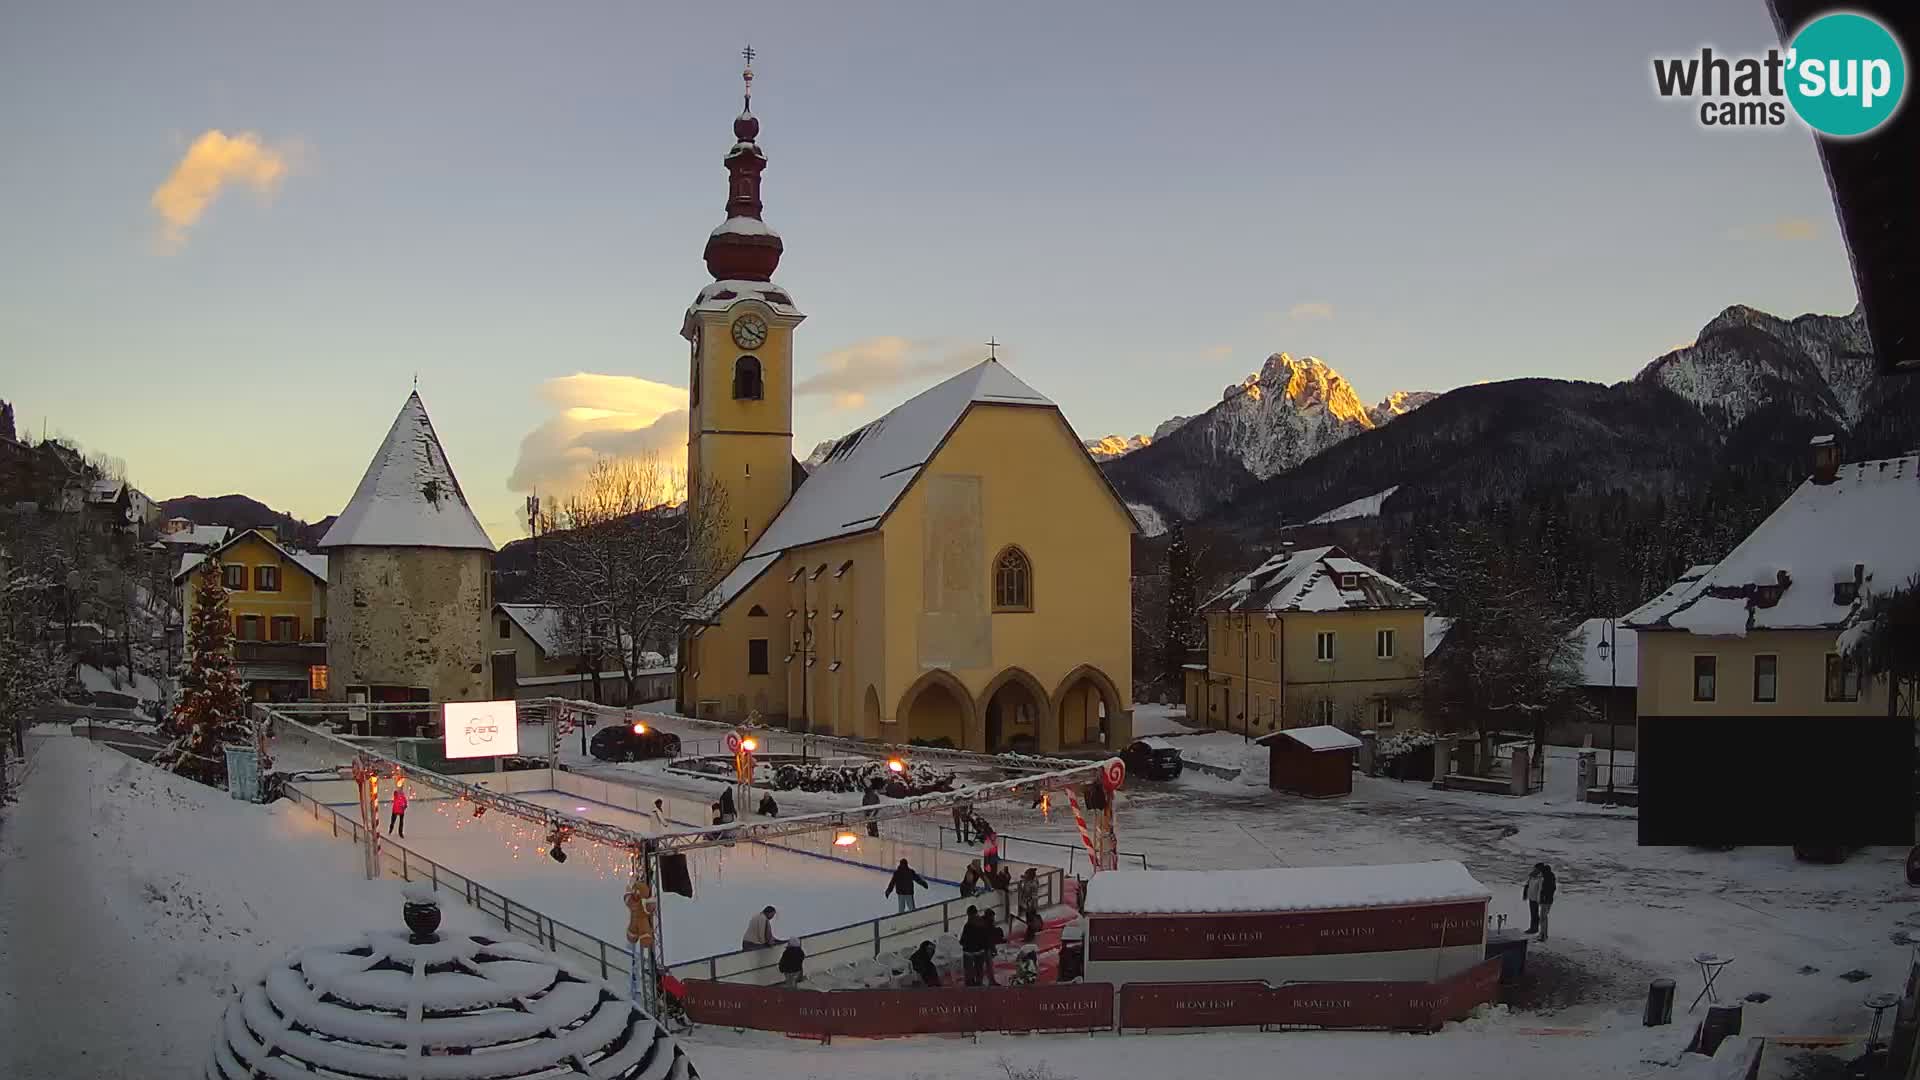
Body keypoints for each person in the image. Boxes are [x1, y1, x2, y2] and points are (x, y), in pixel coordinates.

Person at [1523, 862, 1557, 940]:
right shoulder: (1532, 875)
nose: (1534, 869)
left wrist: (1541, 898)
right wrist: (1526, 893)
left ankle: (1543, 934)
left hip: (1541, 899)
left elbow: (1542, 889)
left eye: (1536, 868)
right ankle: (1535, 929)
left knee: (1542, 917)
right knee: (1535, 914)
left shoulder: (1543, 877)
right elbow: (1528, 885)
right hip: (1534, 897)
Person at [959, 905, 988, 986]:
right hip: (980, 951)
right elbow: (986, 937)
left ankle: (970, 985)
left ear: (969, 913)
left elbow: (963, 940)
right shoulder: (982, 922)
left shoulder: (968, 925)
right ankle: (979, 984)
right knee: (979, 969)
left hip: (968, 952)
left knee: (968, 971)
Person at [981, 911, 1007, 985]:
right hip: (980, 946)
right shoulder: (986, 924)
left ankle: (990, 980)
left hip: (982, 945)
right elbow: (988, 938)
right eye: (993, 917)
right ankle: (990, 981)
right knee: (988, 961)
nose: (994, 919)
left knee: (988, 961)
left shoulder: (986, 923)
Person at [1017, 867, 1042, 943]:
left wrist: (1028, 905)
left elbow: (1029, 894)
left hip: (1030, 905)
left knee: (1030, 921)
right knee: (1030, 920)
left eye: (1027, 874)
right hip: (1029, 904)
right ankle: (1030, 936)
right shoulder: (1031, 880)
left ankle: (1029, 937)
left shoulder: (1032, 884)